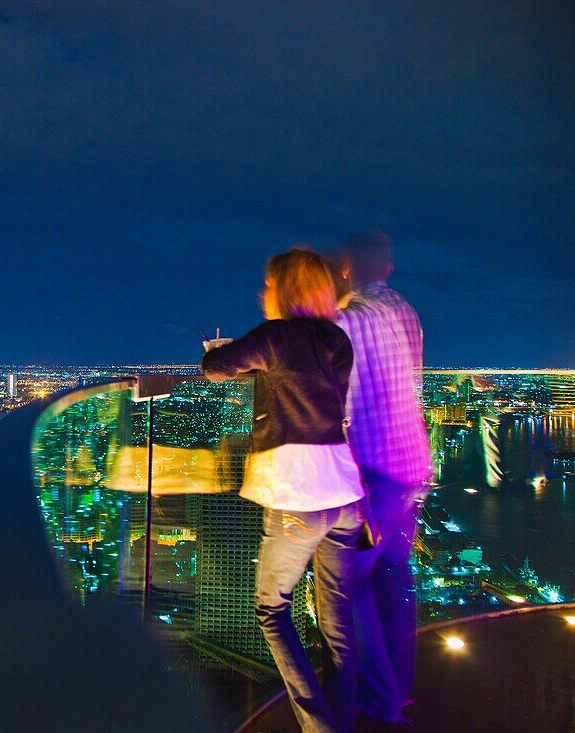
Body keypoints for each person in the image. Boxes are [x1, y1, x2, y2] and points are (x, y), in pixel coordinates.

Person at [202, 247, 364, 733]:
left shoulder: (273, 336)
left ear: (285, 290)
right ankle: (344, 723)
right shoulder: (336, 339)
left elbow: (216, 368)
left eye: (269, 286)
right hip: (344, 497)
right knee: (337, 627)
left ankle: (321, 729)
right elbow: (307, 385)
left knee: (272, 612)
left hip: (299, 496)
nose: (263, 293)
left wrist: (218, 352)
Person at [332, 231, 432, 728]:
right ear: (386, 268)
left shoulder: (347, 321)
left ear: (346, 268)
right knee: (397, 583)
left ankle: (380, 702)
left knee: (349, 586)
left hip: (372, 473)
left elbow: (342, 410)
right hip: (411, 466)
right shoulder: (408, 313)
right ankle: (399, 690)